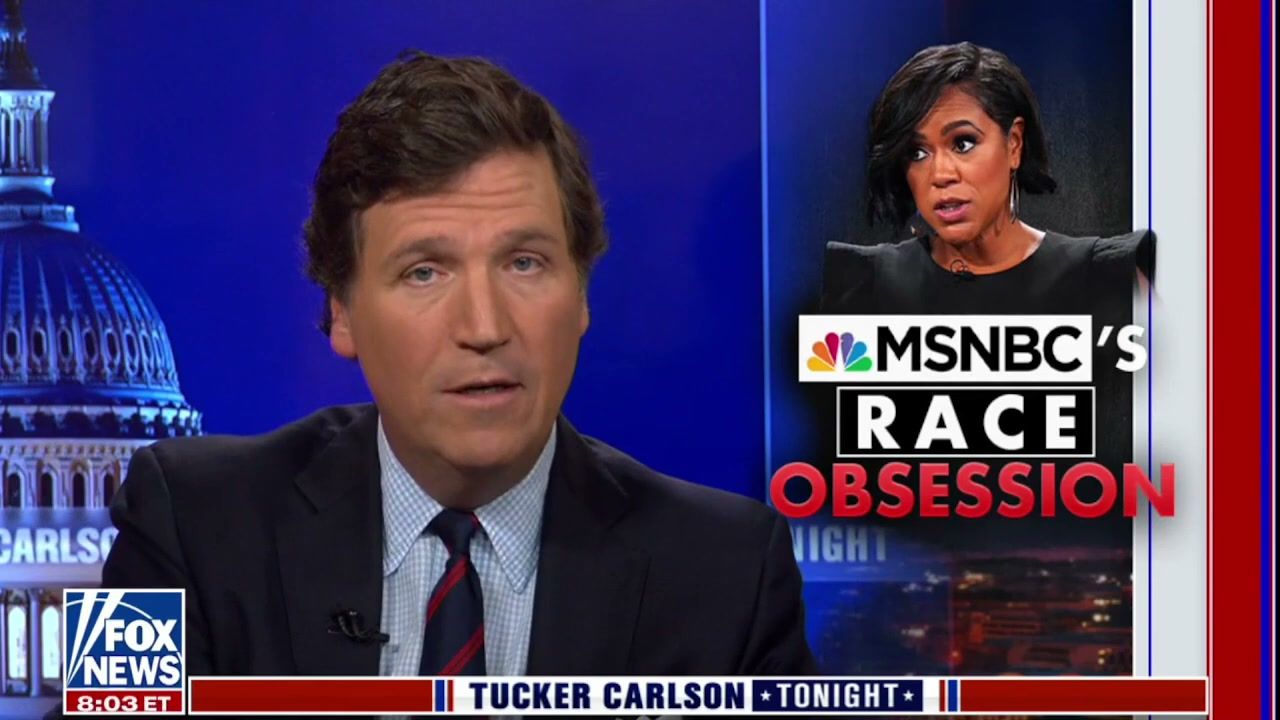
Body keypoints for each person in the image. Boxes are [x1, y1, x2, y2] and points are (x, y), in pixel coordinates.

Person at [100, 51, 816, 679]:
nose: (484, 327)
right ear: (341, 312)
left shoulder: (728, 573)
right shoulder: (186, 522)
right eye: (424, 272)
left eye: (525, 263)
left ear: (581, 295)